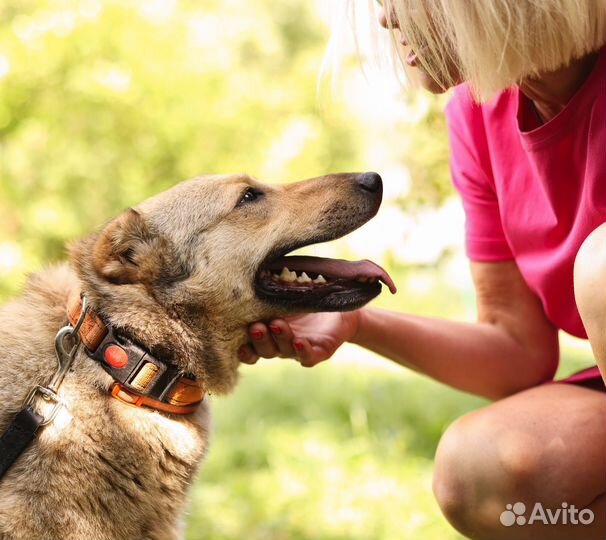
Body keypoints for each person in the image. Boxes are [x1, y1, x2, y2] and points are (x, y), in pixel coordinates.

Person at [238, 1, 606, 538]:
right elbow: (517, 350)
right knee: (480, 473)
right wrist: (358, 323)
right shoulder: (478, 112)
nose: (388, 20)